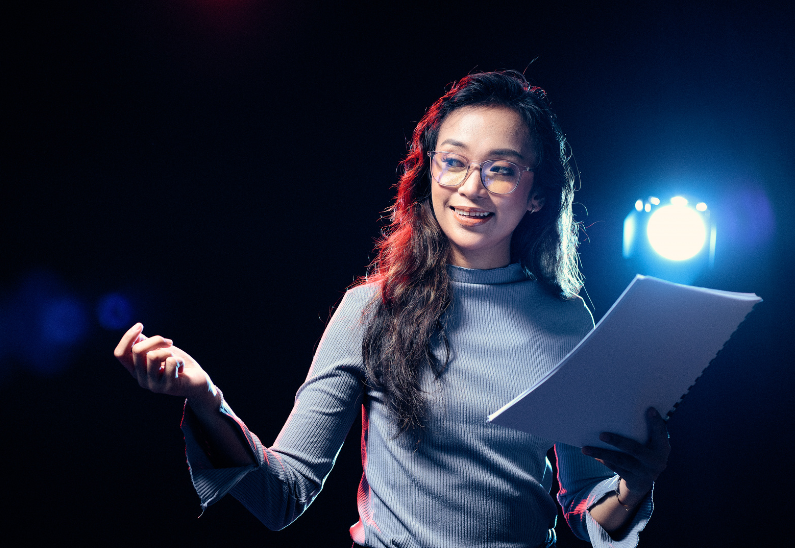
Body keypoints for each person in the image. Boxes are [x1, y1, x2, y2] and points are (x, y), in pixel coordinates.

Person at [113, 71, 670, 548]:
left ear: (538, 193)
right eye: (453, 162)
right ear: (430, 171)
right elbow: (283, 494)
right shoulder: (371, 310)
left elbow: (586, 510)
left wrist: (633, 488)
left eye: (501, 169)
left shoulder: (567, 320)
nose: (471, 188)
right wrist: (206, 400)